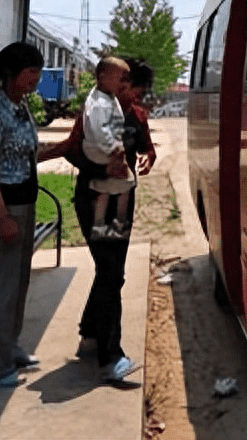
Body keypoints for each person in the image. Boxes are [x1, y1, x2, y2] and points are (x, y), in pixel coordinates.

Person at [39, 58, 155, 384]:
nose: (132, 94)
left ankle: (91, 336)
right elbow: (72, 150)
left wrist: (147, 156)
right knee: (110, 271)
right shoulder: (95, 114)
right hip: (94, 200)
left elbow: (144, 147)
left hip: (123, 201)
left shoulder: (135, 117)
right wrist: (105, 168)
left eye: (135, 90)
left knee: (111, 271)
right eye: (127, 87)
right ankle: (110, 356)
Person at [0, 41, 45, 387]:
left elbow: (24, 153)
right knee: (2, 285)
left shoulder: (19, 107)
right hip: (3, 206)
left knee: (19, 281)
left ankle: (9, 345)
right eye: (30, 73)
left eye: (38, 72)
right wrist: (1, 217)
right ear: (11, 74)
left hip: (23, 203)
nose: (36, 79)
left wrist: (63, 148)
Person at [82, 57, 133, 240]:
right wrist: (115, 152)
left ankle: (99, 226)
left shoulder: (107, 97)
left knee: (104, 189)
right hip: (102, 151)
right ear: (103, 77)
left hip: (105, 149)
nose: (124, 83)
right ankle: (118, 224)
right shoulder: (99, 103)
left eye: (126, 79)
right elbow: (100, 132)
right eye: (120, 78)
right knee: (125, 183)